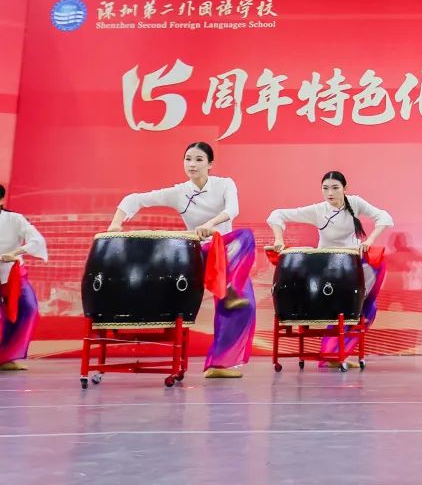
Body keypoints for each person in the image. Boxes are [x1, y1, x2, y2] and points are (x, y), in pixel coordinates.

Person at [106, 142, 255, 378]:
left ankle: (220, 365)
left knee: (245, 247)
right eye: (188, 159)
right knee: (230, 268)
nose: (192, 164)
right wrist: (116, 223)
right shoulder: (179, 192)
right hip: (200, 253)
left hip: (228, 255)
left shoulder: (225, 184)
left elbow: (233, 209)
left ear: (210, 164)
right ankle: (229, 288)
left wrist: (210, 224)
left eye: (198, 159)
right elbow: (134, 199)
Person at [267, 171, 393, 361]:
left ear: (345, 188)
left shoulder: (355, 203)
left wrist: (369, 240)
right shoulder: (318, 210)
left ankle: (337, 352)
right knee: (340, 309)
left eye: (335, 188)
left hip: (351, 264)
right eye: (325, 189)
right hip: (327, 267)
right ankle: (331, 354)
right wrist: (278, 238)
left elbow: (384, 217)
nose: (330, 193)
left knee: (370, 288)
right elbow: (277, 215)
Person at [0, 183, 48, 371]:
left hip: (13, 274)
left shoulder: (15, 219)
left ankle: (6, 357)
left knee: (29, 308)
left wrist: (15, 253)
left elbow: (37, 240)